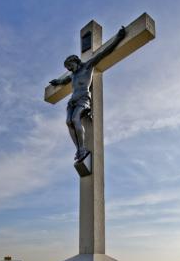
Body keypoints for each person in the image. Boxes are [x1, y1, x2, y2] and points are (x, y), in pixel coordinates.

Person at [50, 26, 126, 162]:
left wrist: (118, 38)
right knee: (68, 122)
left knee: (75, 120)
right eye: (67, 68)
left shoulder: (88, 65)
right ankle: (79, 149)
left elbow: (104, 53)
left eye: (70, 66)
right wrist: (57, 82)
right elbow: (63, 80)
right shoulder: (72, 76)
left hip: (83, 98)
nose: (69, 69)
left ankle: (83, 148)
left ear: (75, 61)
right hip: (72, 101)